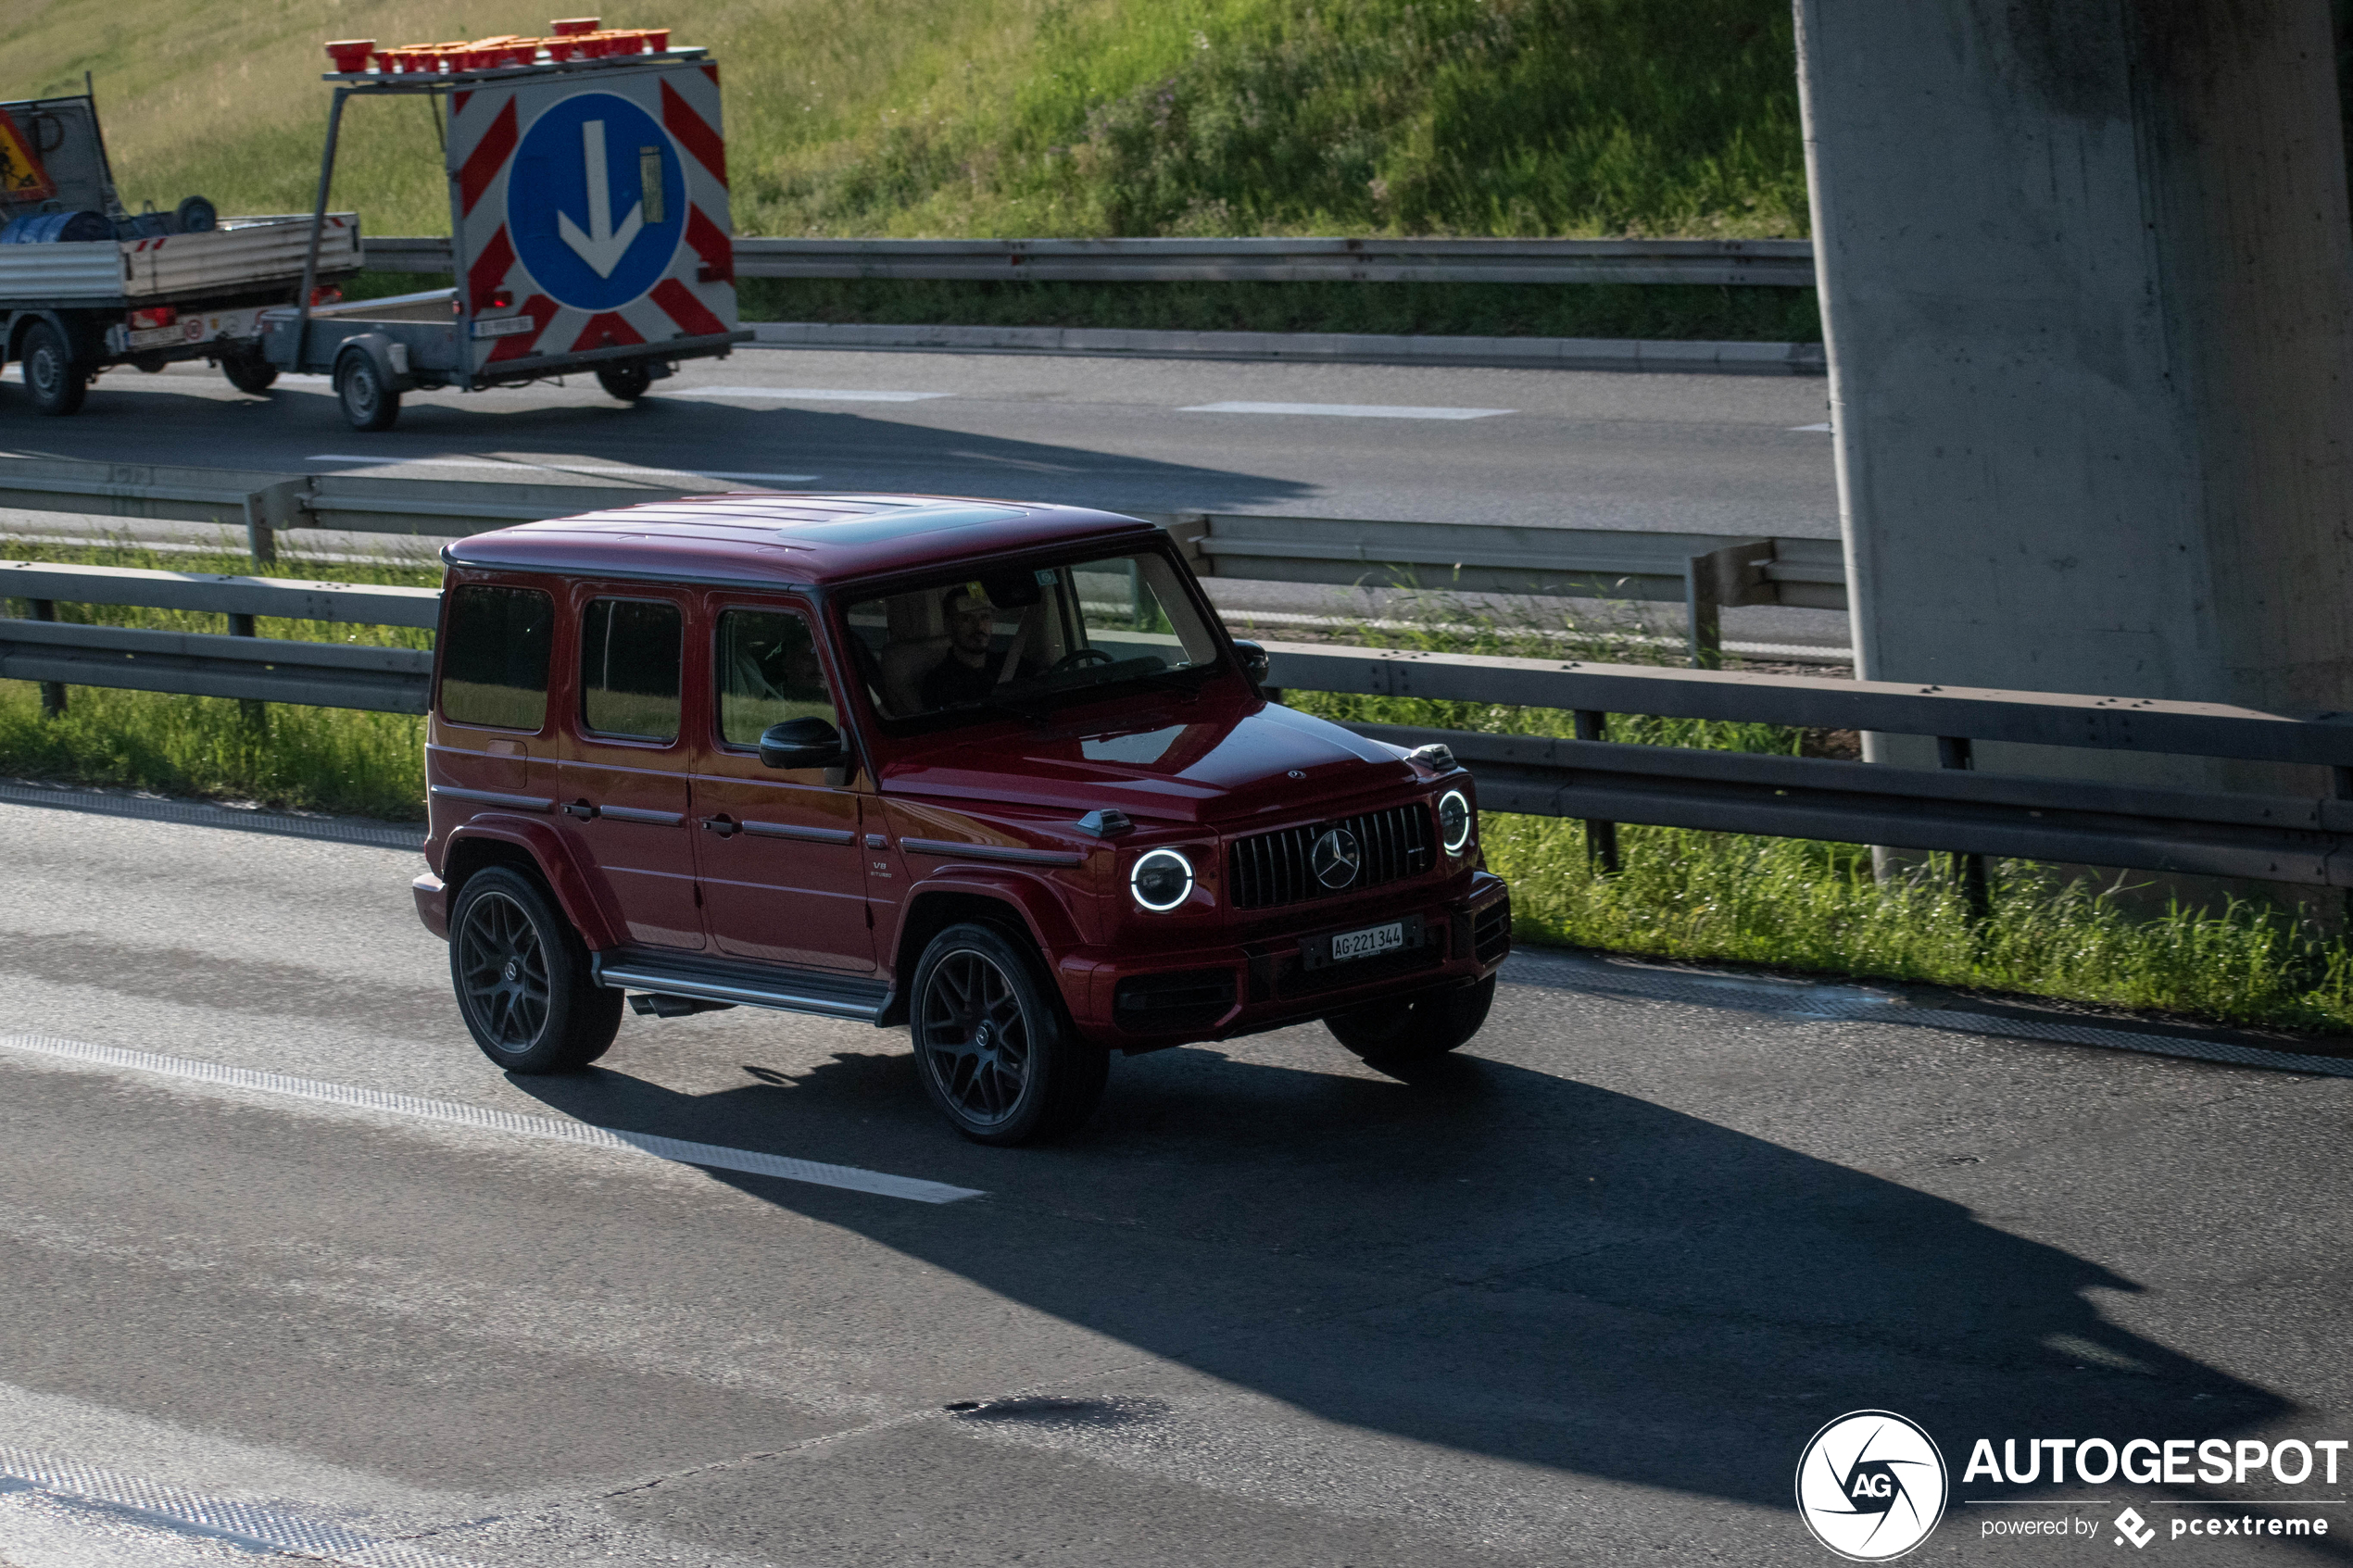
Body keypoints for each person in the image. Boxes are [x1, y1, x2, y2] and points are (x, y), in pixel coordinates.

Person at [920, 584, 1009, 709]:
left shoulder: (1012, 663)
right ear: (949, 625)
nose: (979, 627)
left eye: (985, 617)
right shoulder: (938, 683)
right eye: (966, 618)